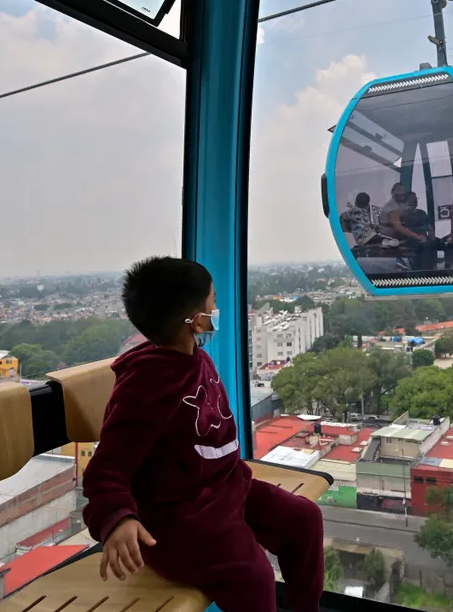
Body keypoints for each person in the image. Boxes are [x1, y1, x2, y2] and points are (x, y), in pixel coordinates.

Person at [82, 256, 324, 612]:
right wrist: (118, 520)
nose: (218, 311)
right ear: (196, 322)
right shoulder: (147, 386)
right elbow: (106, 470)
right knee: (254, 576)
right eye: (213, 305)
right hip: (181, 519)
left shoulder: (193, 356)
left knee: (303, 519)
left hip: (226, 488)